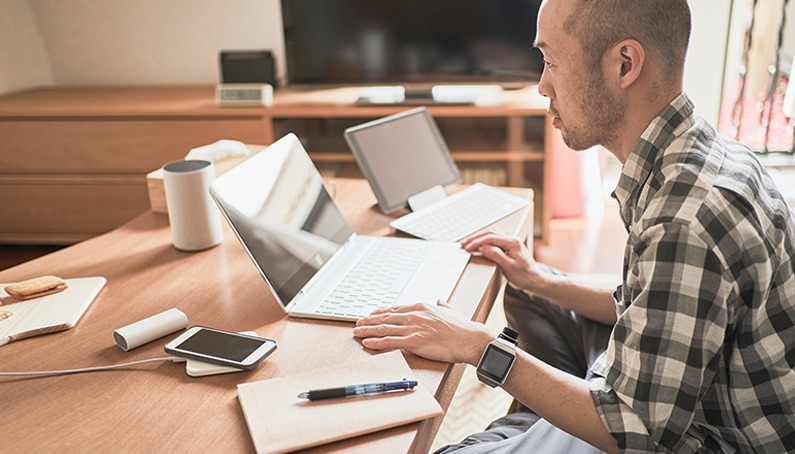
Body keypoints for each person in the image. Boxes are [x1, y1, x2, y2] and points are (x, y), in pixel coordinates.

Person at [352, 0, 795, 452]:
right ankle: (539, 423)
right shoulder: (699, 154)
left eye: (551, 61)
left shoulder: (686, 217)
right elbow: (648, 298)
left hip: (692, 435)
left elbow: (633, 430)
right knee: (533, 292)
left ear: (624, 64)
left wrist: (479, 345)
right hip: (668, 392)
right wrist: (544, 280)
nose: (543, 85)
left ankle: (534, 429)